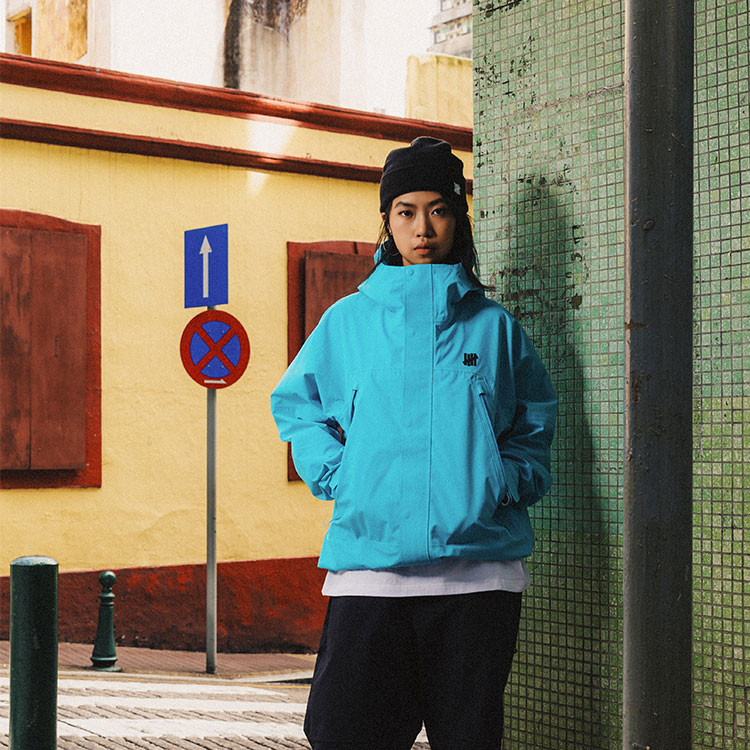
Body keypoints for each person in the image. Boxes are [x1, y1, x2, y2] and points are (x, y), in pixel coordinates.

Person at [270, 136, 557, 750]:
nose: (422, 228)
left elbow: (534, 420)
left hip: (478, 576)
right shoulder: (347, 321)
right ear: (387, 220)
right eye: (406, 212)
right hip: (369, 572)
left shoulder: (495, 327)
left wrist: (504, 479)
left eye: (438, 210)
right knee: (342, 734)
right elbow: (297, 405)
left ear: (458, 220)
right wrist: (339, 474)